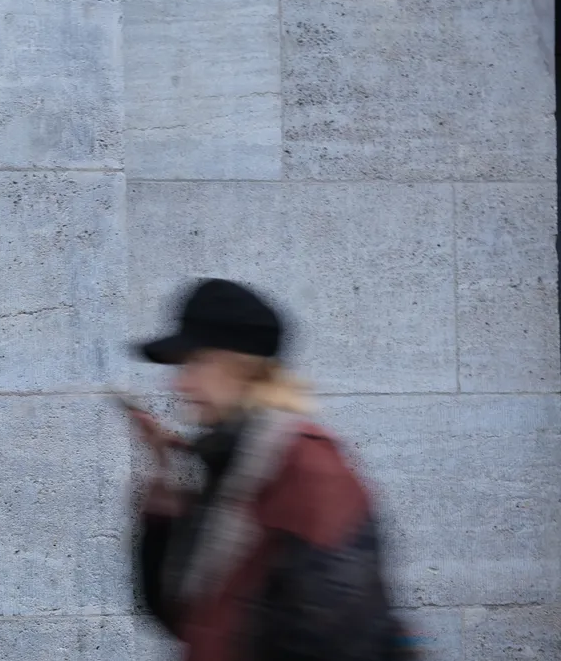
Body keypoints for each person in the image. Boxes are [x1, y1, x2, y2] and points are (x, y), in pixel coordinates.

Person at [127, 278, 422, 661]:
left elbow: (344, 640)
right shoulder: (232, 463)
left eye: (197, 362)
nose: (179, 382)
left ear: (242, 366)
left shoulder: (309, 469)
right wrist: (170, 479)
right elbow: (181, 617)